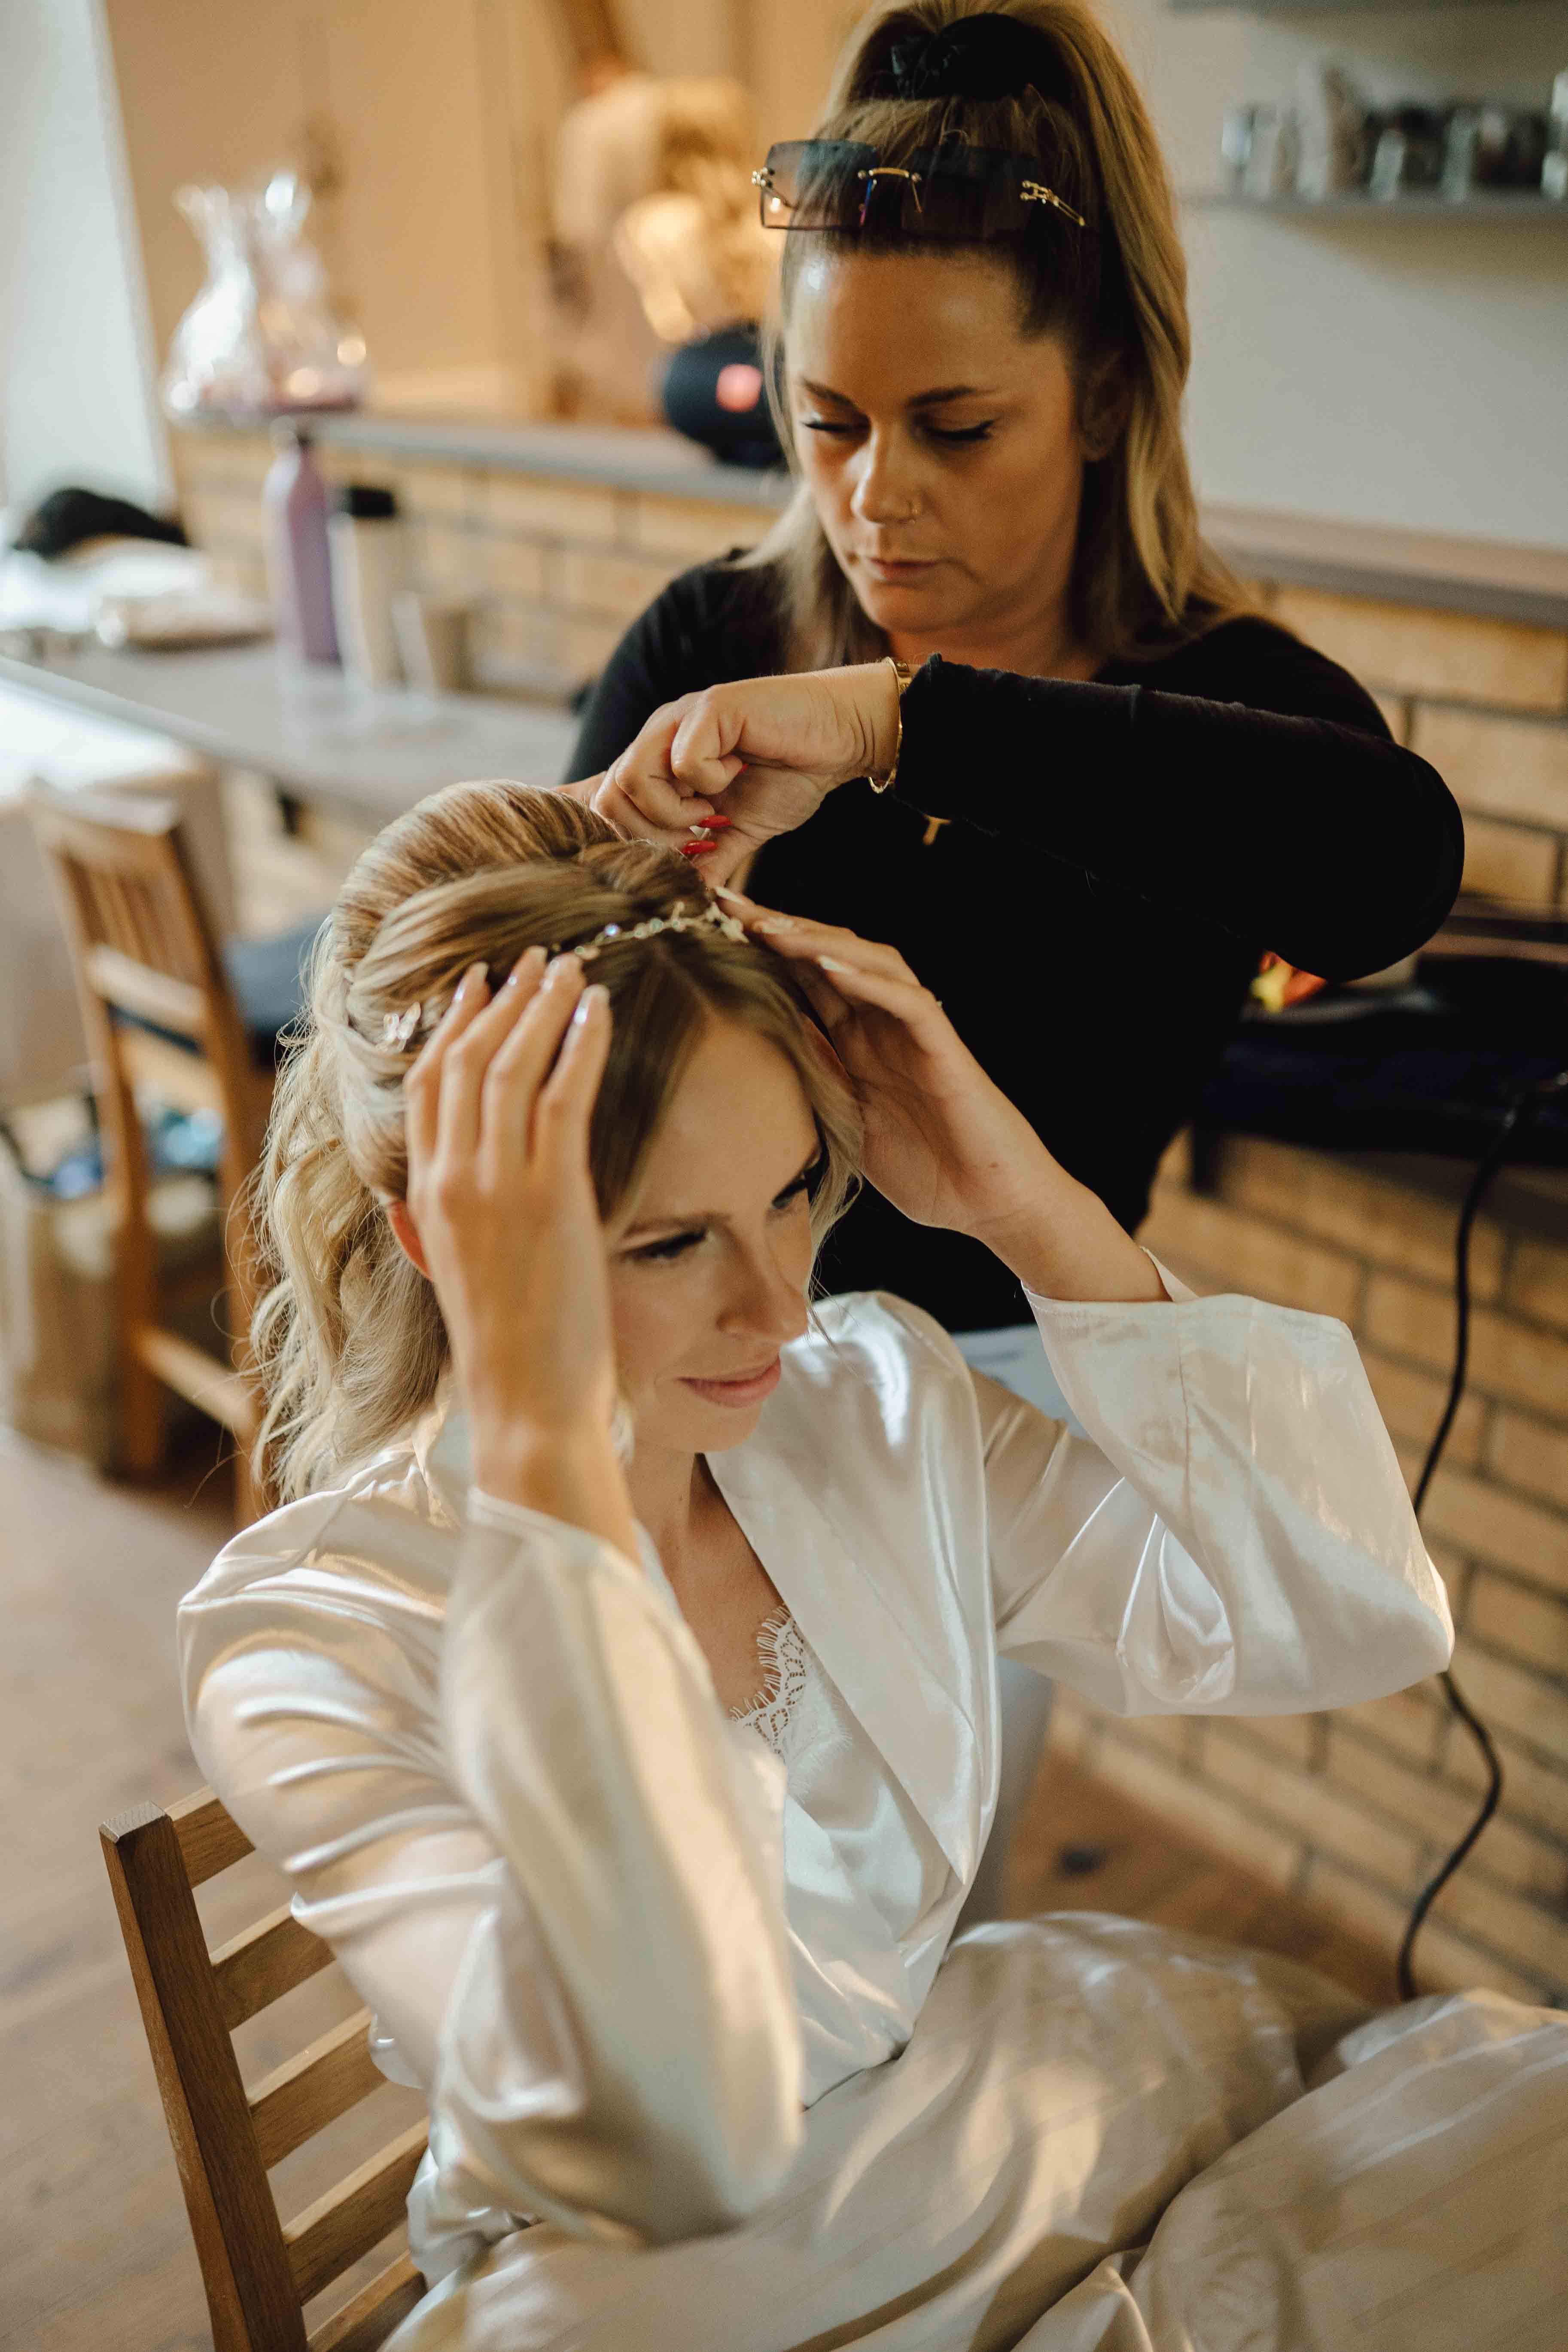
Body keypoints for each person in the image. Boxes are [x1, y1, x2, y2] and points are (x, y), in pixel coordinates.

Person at [180, 782, 1567, 2352]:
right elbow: (653, 2133)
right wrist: (551, 1433)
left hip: (981, 2107)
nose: (779, 1309)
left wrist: (1028, 1208)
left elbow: (1337, 1619)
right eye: (664, 1244)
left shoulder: (871, 1404)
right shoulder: (307, 1639)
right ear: (448, 1242)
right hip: (656, 2285)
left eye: (789, 1197)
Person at [565, 0, 1464, 1380]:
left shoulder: (1218, 692)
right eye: (828, 423)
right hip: (711, 1370)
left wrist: (893, 719)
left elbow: (1389, 870)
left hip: (1043, 1393)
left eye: (956, 427)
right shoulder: (715, 638)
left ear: (1103, 398)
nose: (873, 495)